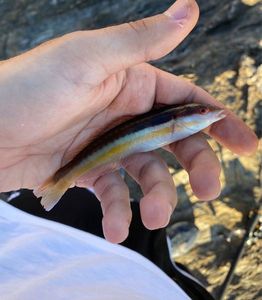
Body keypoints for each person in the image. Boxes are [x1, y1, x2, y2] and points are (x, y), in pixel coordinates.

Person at [0, 0, 258, 299]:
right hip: (124, 268)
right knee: (146, 242)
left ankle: (60, 184)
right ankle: (60, 183)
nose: (209, 113)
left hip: (28, 238)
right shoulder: (172, 122)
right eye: (201, 112)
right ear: (181, 118)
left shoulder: (176, 122)